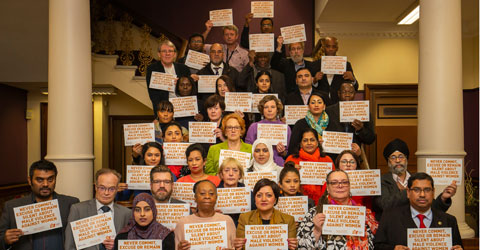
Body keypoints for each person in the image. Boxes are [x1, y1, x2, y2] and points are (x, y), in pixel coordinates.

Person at [0, 160, 79, 250]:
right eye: (40, 180)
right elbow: (1, 239)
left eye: (50, 179)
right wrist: (5, 240)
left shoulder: (71, 204)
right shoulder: (12, 206)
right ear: (30, 180)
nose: (45, 184)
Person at [373, 138, 457, 221]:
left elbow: (433, 209)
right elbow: (385, 205)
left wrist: (443, 198)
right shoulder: (381, 181)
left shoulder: (417, 179)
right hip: (393, 228)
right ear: (388, 161)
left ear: (406, 159)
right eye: (393, 157)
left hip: (416, 228)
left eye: (401, 156)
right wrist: (408, 191)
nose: (398, 160)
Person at [374, 172, 463, 250]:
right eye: (416, 190)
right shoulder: (390, 218)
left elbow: (458, 246)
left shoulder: (449, 221)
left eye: (427, 190)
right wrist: (393, 249)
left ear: (433, 192)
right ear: (408, 193)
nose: (422, 195)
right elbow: (377, 246)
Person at [297, 170, 378, 249]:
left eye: (344, 182)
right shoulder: (314, 212)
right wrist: (317, 231)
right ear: (328, 188)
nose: (340, 185)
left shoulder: (363, 214)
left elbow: (375, 242)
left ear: (349, 186)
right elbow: (301, 246)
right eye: (334, 182)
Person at [65, 169, 131, 250]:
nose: (106, 193)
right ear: (96, 187)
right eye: (102, 188)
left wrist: (117, 245)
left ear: (117, 189)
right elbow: (69, 246)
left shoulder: (126, 213)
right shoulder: (78, 210)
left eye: (111, 189)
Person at [235, 179, 297, 250]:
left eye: (269, 195)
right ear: (254, 199)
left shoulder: (288, 220)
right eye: (259, 195)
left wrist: (291, 246)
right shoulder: (244, 218)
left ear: (275, 200)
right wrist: (238, 245)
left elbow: (291, 248)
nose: (263, 199)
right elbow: (242, 247)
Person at [174, 180, 236, 249]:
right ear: (195, 198)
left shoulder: (227, 221)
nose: (207, 196)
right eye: (202, 193)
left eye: (211, 193)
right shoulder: (182, 223)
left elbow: (235, 247)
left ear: (216, 198)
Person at [325, 81, 375, 161]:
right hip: (333, 158)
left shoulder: (362, 111)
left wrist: (360, 130)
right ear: (339, 93)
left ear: (355, 94)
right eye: (344, 92)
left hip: (354, 159)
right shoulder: (328, 111)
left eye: (351, 92)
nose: (347, 94)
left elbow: (371, 139)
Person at [285, 128, 334, 204]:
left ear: (317, 142)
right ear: (300, 144)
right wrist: (292, 171)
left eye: (312, 140)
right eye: (305, 140)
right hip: (297, 202)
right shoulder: (291, 159)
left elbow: (333, 183)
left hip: (323, 202)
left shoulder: (327, 160)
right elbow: (284, 182)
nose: (309, 143)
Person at [146, 40, 191, 116]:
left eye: (170, 51)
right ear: (159, 54)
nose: (167, 54)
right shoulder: (152, 69)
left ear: (175, 54)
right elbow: (153, 95)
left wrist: (180, 85)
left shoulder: (184, 69)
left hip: (183, 109)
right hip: (164, 111)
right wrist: (163, 112)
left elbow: (190, 91)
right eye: (164, 51)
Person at [245, 95, 291, 166]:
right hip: (258, 164)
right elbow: (248, 149)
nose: (269, 110)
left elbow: (288, 153)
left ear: (277, 109)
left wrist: (282, 152)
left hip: (278, 164)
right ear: (262, 110)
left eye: (272, 107)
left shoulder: (285, 128)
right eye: (266, 107)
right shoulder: (254, 127)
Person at [314, 37, 358, 104]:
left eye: (333, 47)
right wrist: (315, 81)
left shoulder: (345, 64)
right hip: (320, 104)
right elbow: (309, 88)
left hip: (338, 104)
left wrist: (353, 79)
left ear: (337, 48)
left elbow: (355, 87)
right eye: (328, 46)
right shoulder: (315, 64)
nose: (331, 49)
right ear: (324, 48)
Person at [288, 92, 329, 156]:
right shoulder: (300, 124)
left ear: (324, 106)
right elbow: (293, 148)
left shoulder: (332, 123)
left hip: (325, 161)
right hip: (304, 160)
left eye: (319, 102)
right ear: (308, 106)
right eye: (313, 102)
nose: (316, 105)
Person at [217, 157, 246, 226]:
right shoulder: (213, 193)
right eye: (226, 170)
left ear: (240, 175)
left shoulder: (248, 194)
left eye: (235, 170)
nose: (231, 174)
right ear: (221, 175)